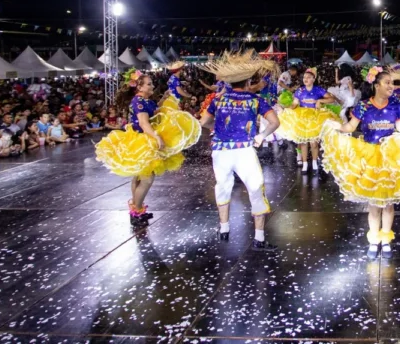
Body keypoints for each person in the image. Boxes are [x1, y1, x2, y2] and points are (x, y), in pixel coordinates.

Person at [320, 70, 400, 258]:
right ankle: (374, 240)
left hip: (390, 157)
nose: (391, 86)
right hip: (370, 158)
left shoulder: (397, 106)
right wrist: (335, 126)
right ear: (377, 85)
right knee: (374, 204)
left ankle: (386, 240)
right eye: (388, 82)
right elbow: (350, 127)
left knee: (388, 203)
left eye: (393, 83)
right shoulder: (363, 106)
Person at [94, 69, 201, 226]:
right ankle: (136, 211)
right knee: (146, 178)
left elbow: (154, 112)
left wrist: (163, 100)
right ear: (140, 87)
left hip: (143, 139)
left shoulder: (146, 100)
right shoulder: (138, 102)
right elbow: (144, 123)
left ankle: (137, 211)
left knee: (139, 176)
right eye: (149, 84)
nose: (152, 86)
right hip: (141, 140)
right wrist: (156, 137)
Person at [198, 52, 280, 251]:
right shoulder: (255, 100)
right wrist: (261, 136)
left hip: (220, 151)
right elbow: (275, 122)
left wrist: (215, 130)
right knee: (255, 189)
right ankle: (259, 238)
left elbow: (203, 122)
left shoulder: (217, 100)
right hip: (244, 151)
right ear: (248, 81)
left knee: (223, 186)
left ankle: (224, 229)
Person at [279, 67, 337, 172]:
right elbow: (294, 104)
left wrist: (320, 100)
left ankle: (314, 162)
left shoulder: (318, 89)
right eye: (304, 77)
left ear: (313, 79)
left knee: (314, 143)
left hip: (315, 118)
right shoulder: (300, 91)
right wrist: (287, 110)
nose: (305, 79)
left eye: (309, 77)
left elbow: (332, 99)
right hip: (302, 117)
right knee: (304, 143)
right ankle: (305, 163)